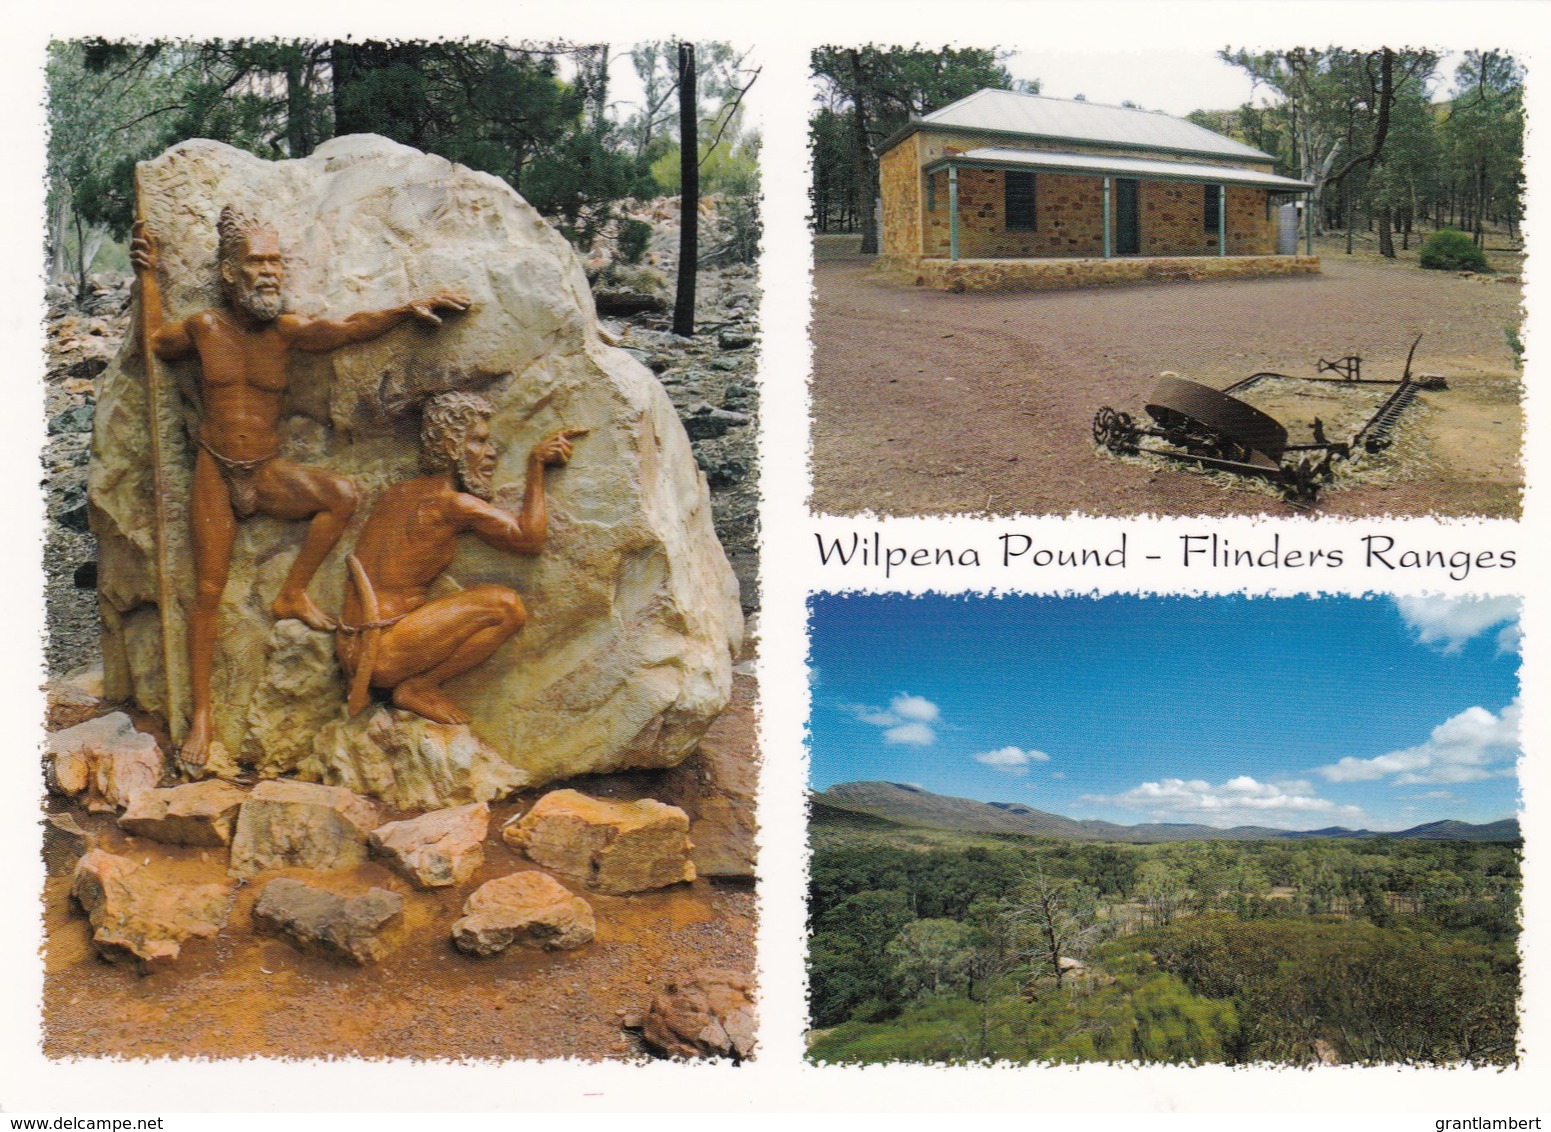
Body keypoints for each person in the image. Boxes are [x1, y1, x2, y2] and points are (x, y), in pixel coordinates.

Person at [131, 205, 470, 764]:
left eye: (276, 262)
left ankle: (293, 591)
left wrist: (407, 311)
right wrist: (147, 278)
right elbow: (155, 347)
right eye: (257, 261)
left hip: (266, 471)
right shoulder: (203, 328)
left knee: (341, 496)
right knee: (208, 593)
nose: (270, 272)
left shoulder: (286, 333)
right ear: (229, 272)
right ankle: (204, 719)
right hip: (216, 471)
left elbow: (345, 329)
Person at [336, 392, 582, 725]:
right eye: (479, 442)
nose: (491, 452)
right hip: (383, 652)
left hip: (351, 648)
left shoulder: (396, 493)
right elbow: (530, 538)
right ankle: (419, 686)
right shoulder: (453, 504)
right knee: (506, 606)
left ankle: (398, 680)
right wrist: (536, 466)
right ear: (452, 446)